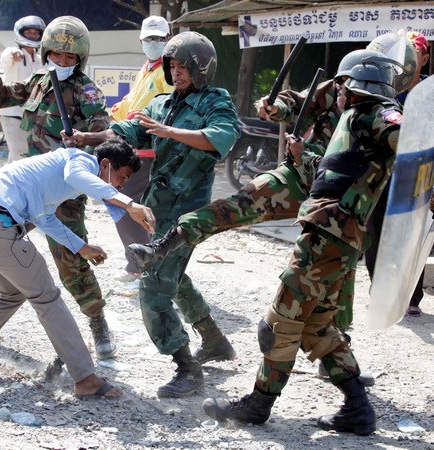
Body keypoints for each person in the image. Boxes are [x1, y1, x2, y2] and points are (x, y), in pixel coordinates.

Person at [127, 31, 418, 385]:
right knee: (235, 205)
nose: (345, 90)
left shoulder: (384, 113)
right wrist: (273, 107)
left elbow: (411, 145)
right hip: (297, 178)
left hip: (339, 197)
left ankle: (335, 356)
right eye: (346, 82)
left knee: (339, 278)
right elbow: (294, 102)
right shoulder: (335, 86)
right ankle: (168, 241)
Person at [201, 49, 403, 436]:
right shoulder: (354, 120)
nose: (336, 93)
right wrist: (302, 156)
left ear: (353, 87)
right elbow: (339, 174)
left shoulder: (375, 114)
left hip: (330, 234)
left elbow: (407, 136)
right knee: (316, 326)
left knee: (280, 321)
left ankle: (259, 403)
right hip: (338, 234)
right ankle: (357, 408)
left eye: (341, 86)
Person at [63, 31, 241, 397]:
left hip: (189, 213)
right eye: (172, 66)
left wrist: (170, 132)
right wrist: (87, 137)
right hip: (158, 209)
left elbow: (221, 137)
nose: (176, 73)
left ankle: (187, 368)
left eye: (183, 67)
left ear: (201, 69)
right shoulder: (164, 103)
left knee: (154, 286)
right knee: (172, 275)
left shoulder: (214, 102)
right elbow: (129, 130)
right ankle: (214, 340)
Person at [0, 16, 120, 360]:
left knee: (71, 258)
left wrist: (80, 141)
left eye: (70, 57)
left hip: (63, 191)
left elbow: (104, 135)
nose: (62, 62)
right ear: (46, 52)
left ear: (80, 59)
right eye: (56, 55)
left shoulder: (85, 91)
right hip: (25, 189)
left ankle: (97, 322)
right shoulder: (38, 80)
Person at [0, 138, 155, 400]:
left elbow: (43, 217)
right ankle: (85, 379)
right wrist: (128, 203)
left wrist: (81, 247)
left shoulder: (57, 174)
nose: (120, 185)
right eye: (122, 177)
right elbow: (76, 174)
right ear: (105, 164)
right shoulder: (79, 161)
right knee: (47, 297)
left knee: (10, 293)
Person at [365, 30, 430, 317]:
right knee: (374, 234)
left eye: (415, 55)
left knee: (410, 237)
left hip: (416, 176)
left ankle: (411, 295)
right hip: (380, 174)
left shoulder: (429, 95)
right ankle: (379, 289)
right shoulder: (384, 91)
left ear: (424, 58)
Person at [110, 15, 173, 282]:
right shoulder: (147, 68)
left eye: (159, 38)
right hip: (135, 146)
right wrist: (116, 112)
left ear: (168, 40)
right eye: (149, 38)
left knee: (122, 201)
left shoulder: (168, 70)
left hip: (150, 150)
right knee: (135, 205)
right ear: (141, 40)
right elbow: (131, 102)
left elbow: (169, 106)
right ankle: (146, 262)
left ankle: (140, 264)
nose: (154, 43)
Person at [0, 15, 45, 164]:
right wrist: (13, 54)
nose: (32, 35)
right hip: (12, 111)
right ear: (21, 33)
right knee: (20, 153)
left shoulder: (39, 59)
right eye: (28, 32)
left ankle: (5, 184)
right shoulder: (14, 52)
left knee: (21, 154)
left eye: (35, 33)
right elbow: (6, 56)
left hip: (31, 114)